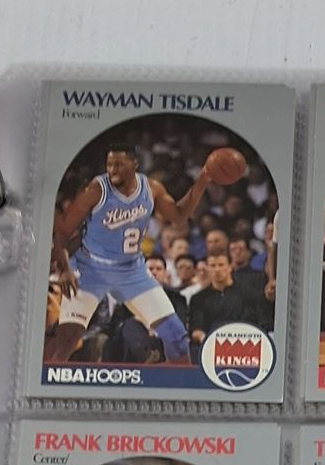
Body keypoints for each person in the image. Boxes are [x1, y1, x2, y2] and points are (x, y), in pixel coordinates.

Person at [47, 142, 219, 365]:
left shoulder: (152, 189)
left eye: (119, 165)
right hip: (89, 268)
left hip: (131, 271)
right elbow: (62, 232)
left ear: (134, 164)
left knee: (176, 336)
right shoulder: (95, 190)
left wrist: (202, 181)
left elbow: (178, 216)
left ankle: (179, 384)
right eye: (109, 164)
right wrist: (64, 269)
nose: (112, 170)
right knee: (66, 342)